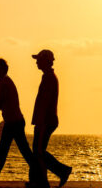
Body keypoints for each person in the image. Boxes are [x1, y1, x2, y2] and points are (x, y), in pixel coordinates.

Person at [0, 58, 36, 185]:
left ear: (1, 70)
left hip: (13, 122)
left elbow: (0, 101)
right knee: (20, 152)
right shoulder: (6, 81)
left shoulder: (3, 83)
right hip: (14, 121)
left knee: (5, 152)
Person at [30, 50, 72, 188]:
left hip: (46, 121)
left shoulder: (49, 78)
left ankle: (57, 174)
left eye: (39, 60)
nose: (36, 62)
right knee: (38, 151)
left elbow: (45, 102)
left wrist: (40, 122)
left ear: (46, 61)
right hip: (45, 120)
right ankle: (39, 181)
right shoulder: (47, 76)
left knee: (39, 151)